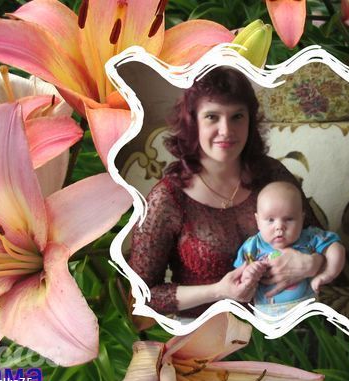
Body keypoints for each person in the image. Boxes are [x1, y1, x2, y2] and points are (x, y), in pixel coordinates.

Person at [129, 66, 325, 319]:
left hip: (283, 320)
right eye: (212, 117)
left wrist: (313, 263)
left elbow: (321, 240)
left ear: (250, 121)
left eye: (237, 117)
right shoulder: (167, 198)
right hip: (205, 330)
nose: (226, 130)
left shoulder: (272, 174)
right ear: (193, 122)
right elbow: (142, 295)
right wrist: (218, 291)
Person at [235, 181, 346, 317]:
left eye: (288, 219)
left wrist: (328, 274)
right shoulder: (252, 246)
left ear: (301, 218)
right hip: (267, 317)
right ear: (258, 221)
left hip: (308, 312)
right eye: (270, 220)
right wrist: (248, 274)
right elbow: (238, 279)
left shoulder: (309, 237)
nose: (279, 227)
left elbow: (336, 248)